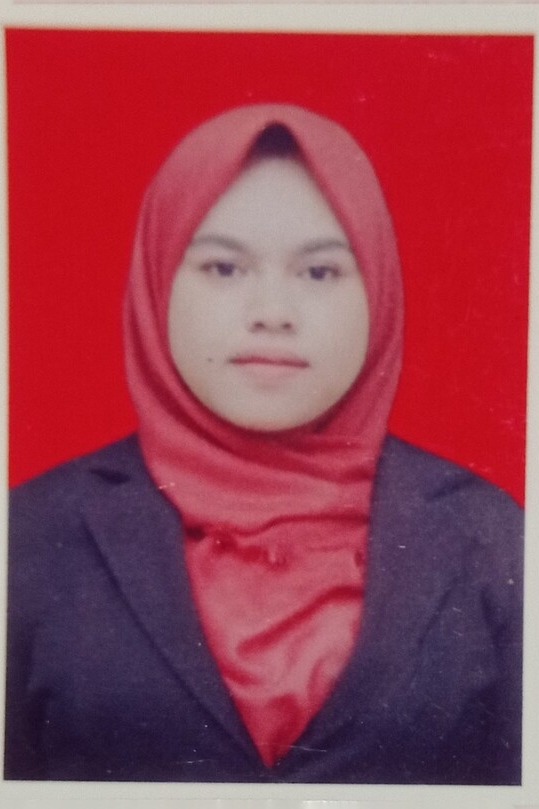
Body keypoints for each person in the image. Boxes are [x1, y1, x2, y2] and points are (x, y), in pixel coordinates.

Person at [5, 103, 523, 784]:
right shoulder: (28, 536)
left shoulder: (492, 538)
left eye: (319, 273)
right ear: (158, 279)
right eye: (224, 268)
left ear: (378, 288)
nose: (273, 313)